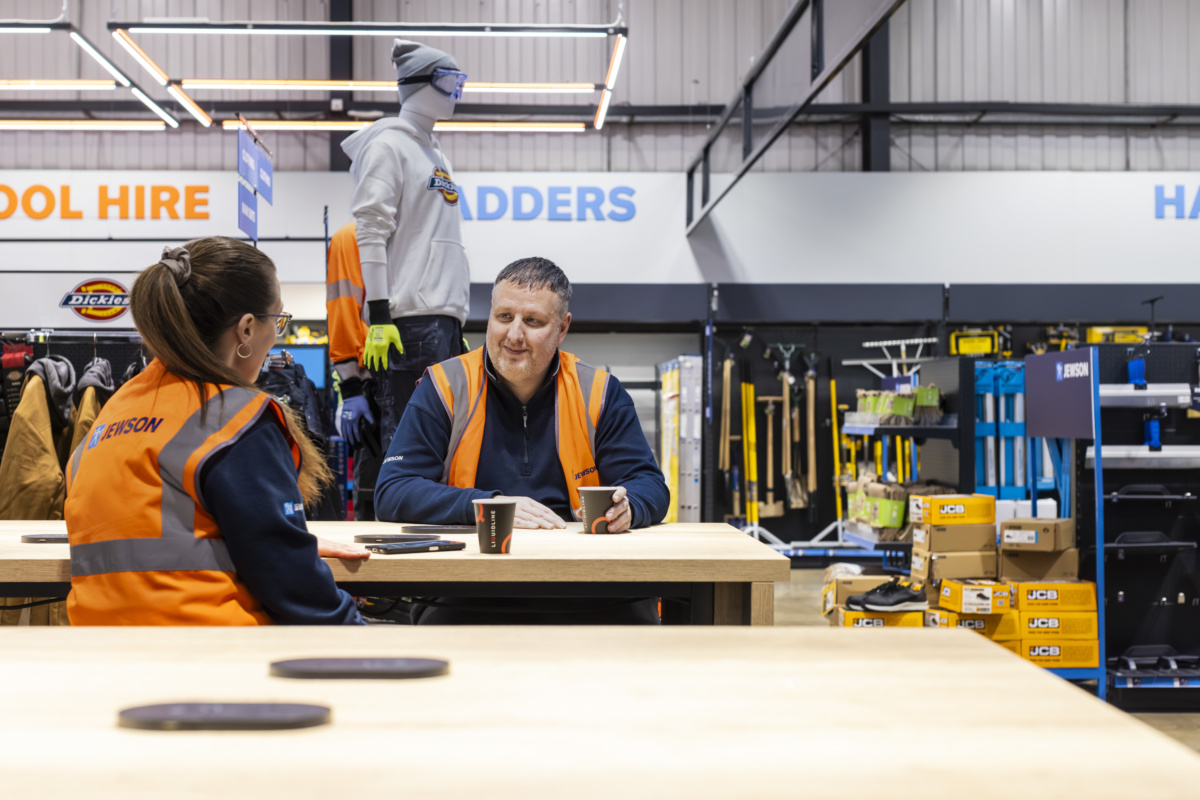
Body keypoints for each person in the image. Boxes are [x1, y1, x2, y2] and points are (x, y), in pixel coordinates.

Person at [64, 237, 368, 625]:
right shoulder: (234, 419)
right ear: (245, 329)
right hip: (213, 656)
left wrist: (281, 535)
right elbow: (299, 593)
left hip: (100, 658)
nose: (277, 334)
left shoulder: (116, 410)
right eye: (278, 320)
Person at [374, 257, 671, 624]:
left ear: (562, 329)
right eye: (503, 317)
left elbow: (650, 486)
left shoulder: (599, 392)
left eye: (532, 322)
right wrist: (489, 506)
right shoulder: (444, 386)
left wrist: (630, 508)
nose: (514, 335)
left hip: (594, 592)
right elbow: (392, 491)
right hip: (467, 593)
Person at [340, 38, 471, 456]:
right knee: (411, 448)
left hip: (441, 322)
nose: (456, 93)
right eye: (449, 81)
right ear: (418, 85)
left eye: (458, 82)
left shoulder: (436, 155)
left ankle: (434, 520)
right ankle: (399, 521)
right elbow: (371, 229)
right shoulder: (388, 146)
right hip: (409, 323)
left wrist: (454, 322)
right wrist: (380, 314)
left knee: (445, 447)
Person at [325, 220, 383, 520]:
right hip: (374, 382)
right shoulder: (352, 237)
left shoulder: (419, 234)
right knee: (374, 488)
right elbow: (344, 307)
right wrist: (350, 387)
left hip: (417, 380)